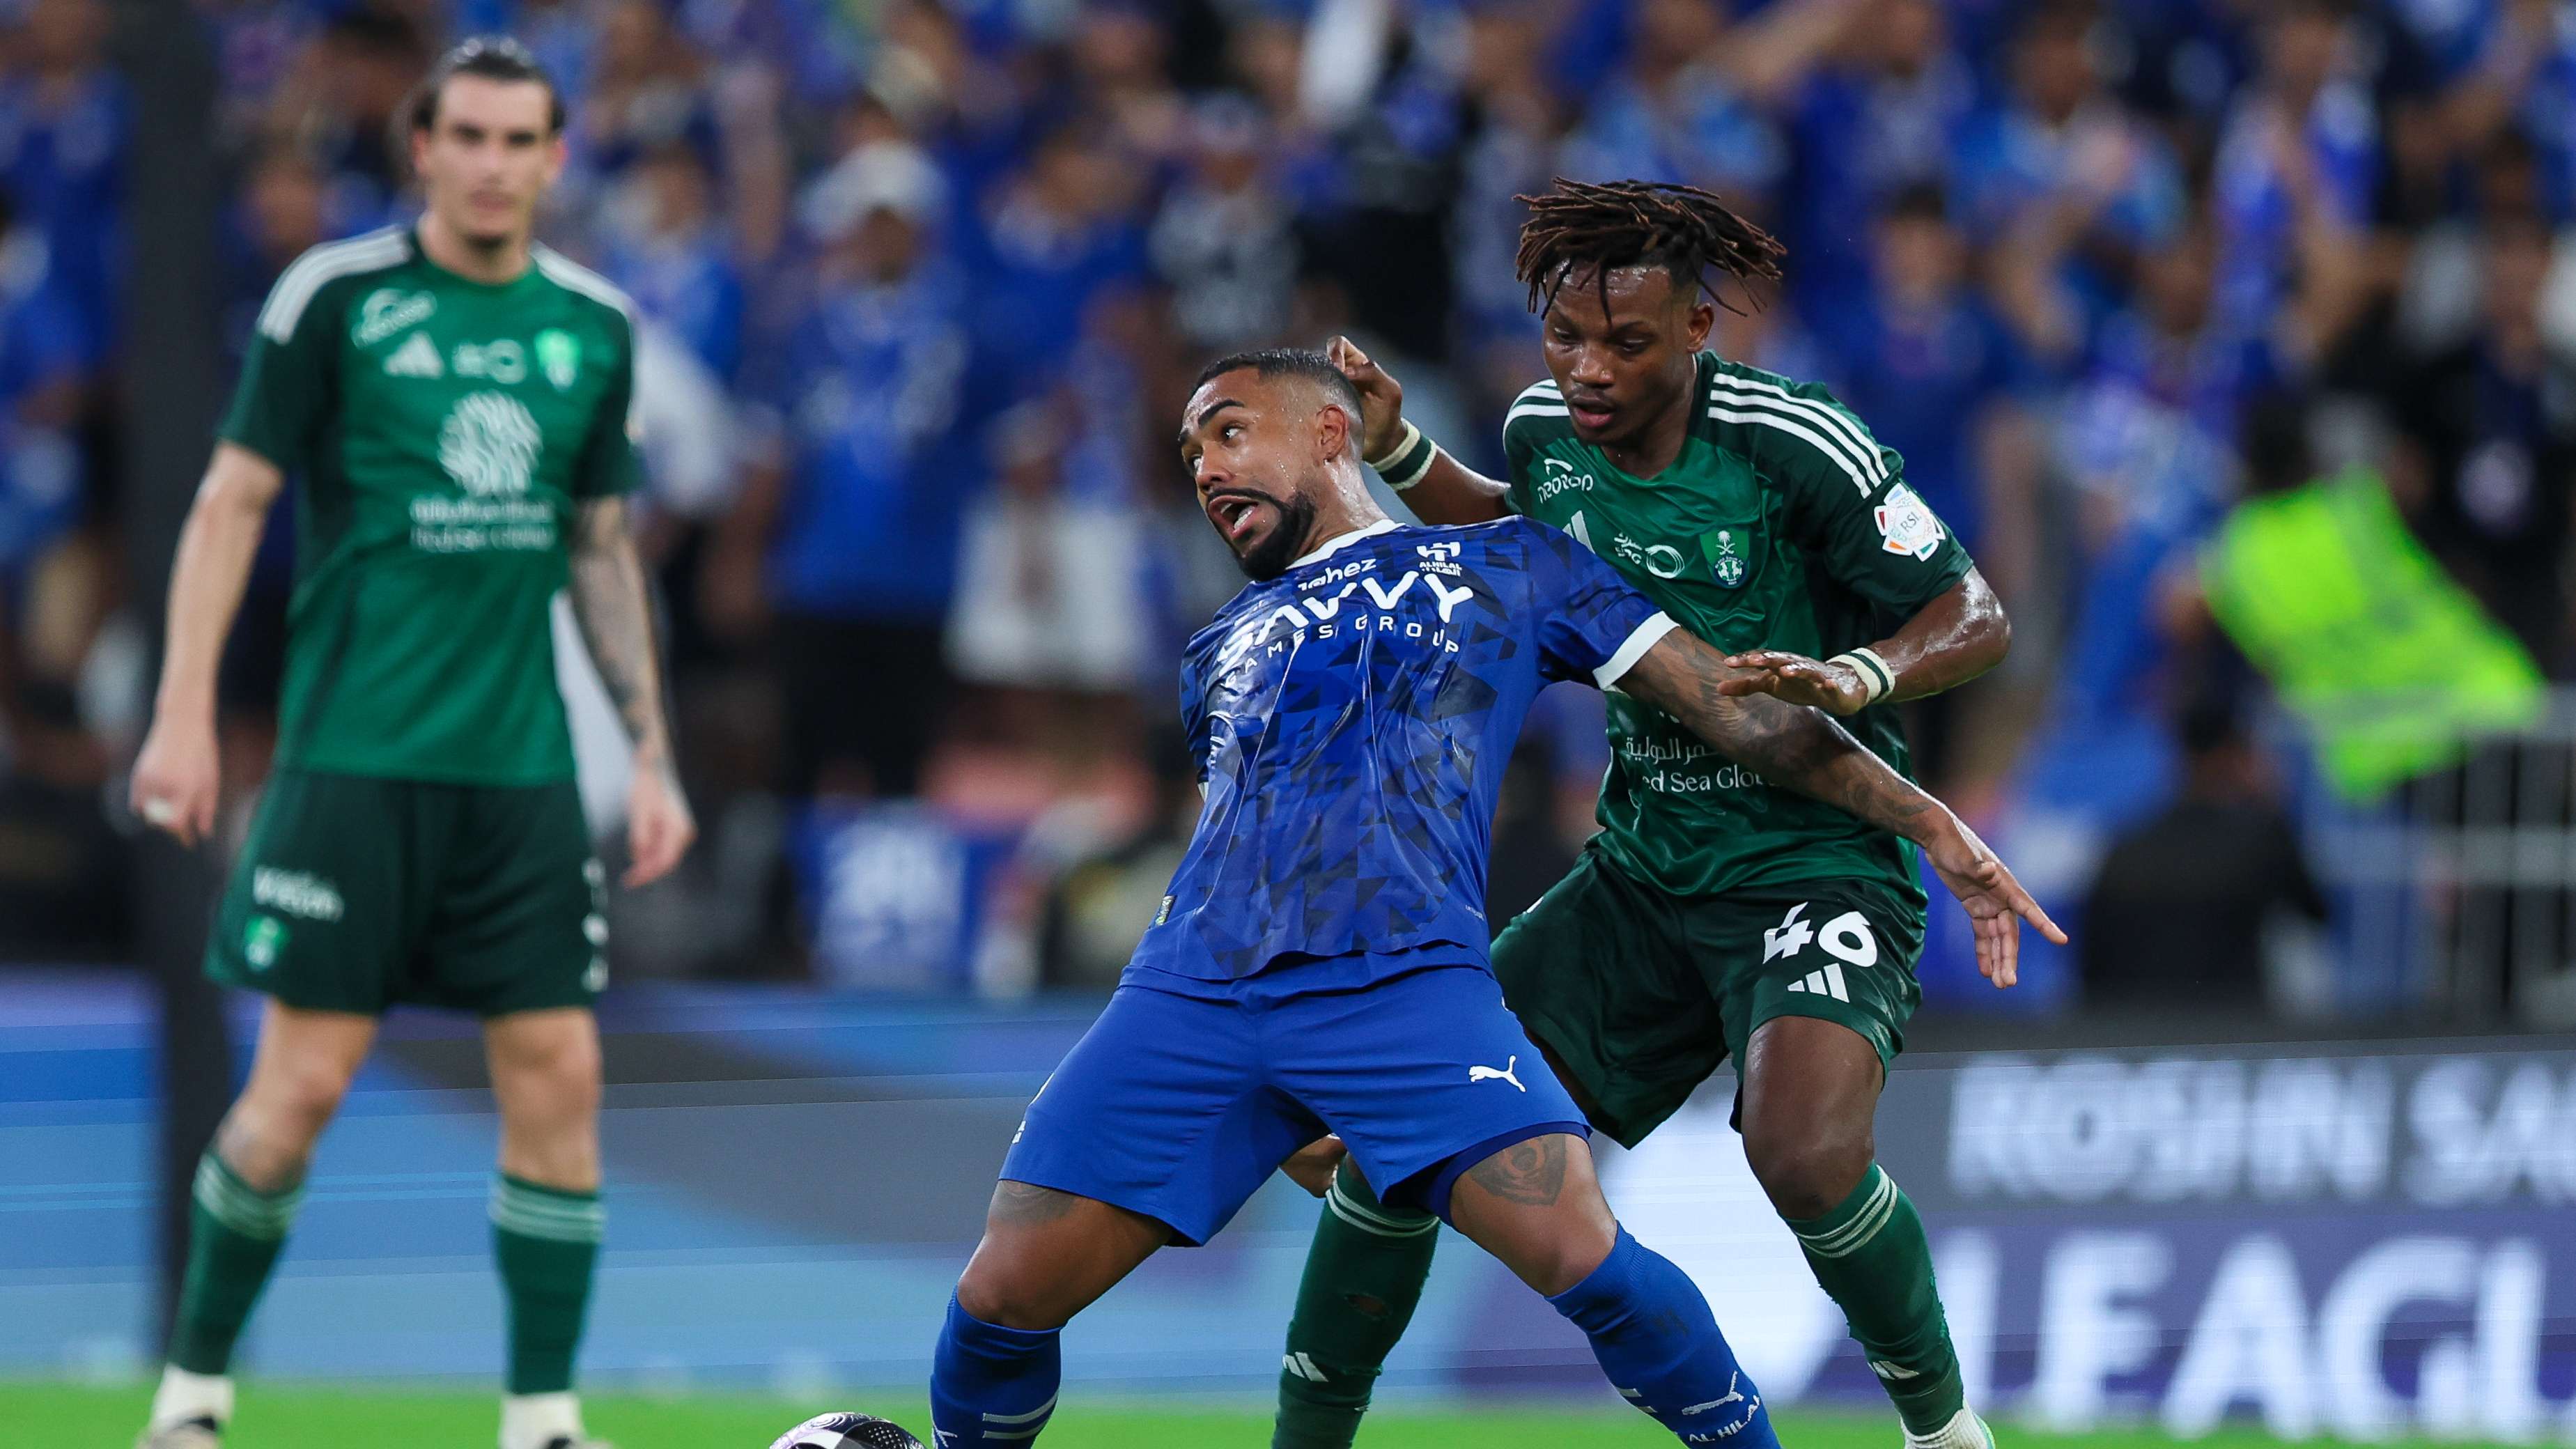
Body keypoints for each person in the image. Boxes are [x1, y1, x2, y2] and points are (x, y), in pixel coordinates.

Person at [925, 348, 2061, 1448]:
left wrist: (1929, 822)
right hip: (1188, 997)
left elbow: (1736, 710)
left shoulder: (1513, 565)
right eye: (1188, 457)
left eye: (1228, 432)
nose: (1207, 469)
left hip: (1404, 988)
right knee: (999, 1294)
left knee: (1586, 1260)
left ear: (1327, 433)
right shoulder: (1214, 643)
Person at [1280, 178, 2019, 1449]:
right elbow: (1536, 547)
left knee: (1801, 1156)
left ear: (1696, 330)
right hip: (1637, 875)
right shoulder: (1538, 428)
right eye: (1566, 337)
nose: (1588, 368)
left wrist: (1858, 674)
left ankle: (1945, 1438)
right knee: (1401, 1143)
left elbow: (1976, 615)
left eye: (1625, 343)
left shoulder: (1798, 446)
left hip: (1813, 861)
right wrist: (1406, 461)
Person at [127, 38, 695, 1449]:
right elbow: (229, 502)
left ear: (557, 161)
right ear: (422, 151)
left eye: (522, 140)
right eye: (470, 137)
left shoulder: (593, 327)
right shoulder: (336, 300)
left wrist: (653, 748)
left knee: (560, 1073)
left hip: (519, 776)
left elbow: (601, 549)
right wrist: (184, 711)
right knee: (294, 1092)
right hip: (352, 765)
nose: (495, 163)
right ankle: (192, 1396)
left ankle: (544, 1415)